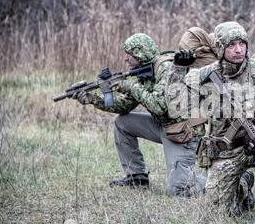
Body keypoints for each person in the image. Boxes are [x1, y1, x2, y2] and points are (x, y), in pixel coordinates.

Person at [170, 22, 255, 224]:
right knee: (218, 215)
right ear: (221, 48)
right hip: (225, 151)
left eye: (242, 43)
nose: (238, 50)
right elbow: (175, 103)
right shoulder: (206, 74)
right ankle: (243, 185)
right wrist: (178, 69)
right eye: (231, 45)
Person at [72, 33, 207, 197]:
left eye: (129, 54)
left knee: (179, 192)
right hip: (164, 127)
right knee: (123, 123)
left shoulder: (166, 68)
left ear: (140, 53)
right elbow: (124, 106)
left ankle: (219, 179)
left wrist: (130, 88)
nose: (126, 59)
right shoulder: (141, 73)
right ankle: (137, 178)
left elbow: (160, 107)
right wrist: (92, 99)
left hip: (184, 132)